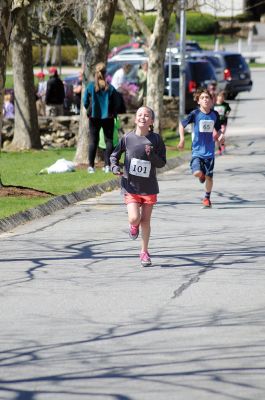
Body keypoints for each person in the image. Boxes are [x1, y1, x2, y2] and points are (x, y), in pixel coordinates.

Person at [110, 106, 166, 267]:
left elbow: (162, 162)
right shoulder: (127, 138)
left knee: (146, 220)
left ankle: (144, 252)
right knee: (135, 218)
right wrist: (115, 167)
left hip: (149, 187)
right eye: (140, 115)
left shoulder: (156, 140)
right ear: (135, 119)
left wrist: (152, 155)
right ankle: (133, 225)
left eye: (146, 115)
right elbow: (114, 155)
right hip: (131, 186)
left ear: (151, 121)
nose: (143, 117)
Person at [178, 88, 224, 208]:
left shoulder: (215, 114)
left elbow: (218, 130)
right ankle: (201, 175)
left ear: (211, 101)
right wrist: (182, 139)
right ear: (198, 101)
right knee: (197, 172)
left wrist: (221, 136)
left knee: (209, 177)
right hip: (197, 151)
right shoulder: (195, 114)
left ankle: (207, 198)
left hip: (209, 152)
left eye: (207, 97)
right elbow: (181, 125)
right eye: (202, 98)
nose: (205, 100)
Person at [83, 62, 120, 173]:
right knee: (109, 140)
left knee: (93, 141)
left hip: (94, 117)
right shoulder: (110, 88)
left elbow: (85, 102)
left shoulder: (90, 87)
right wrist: (113, 113)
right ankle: (107, 165)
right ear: (105, 73)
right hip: (108, 117)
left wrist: (90, 111)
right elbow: (116, 103)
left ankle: (91, 166)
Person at [214, 90, 231, 155]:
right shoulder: (214, 105)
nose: (221, 98)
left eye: (223, 97)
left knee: (221, 135)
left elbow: (228, 110)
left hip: (223, 122)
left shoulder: (226, 105)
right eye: (220, 96)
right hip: (216, 123)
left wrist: (227, 113)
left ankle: (223, 146)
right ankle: (219, 148)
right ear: (217, 97)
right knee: (217, 137)